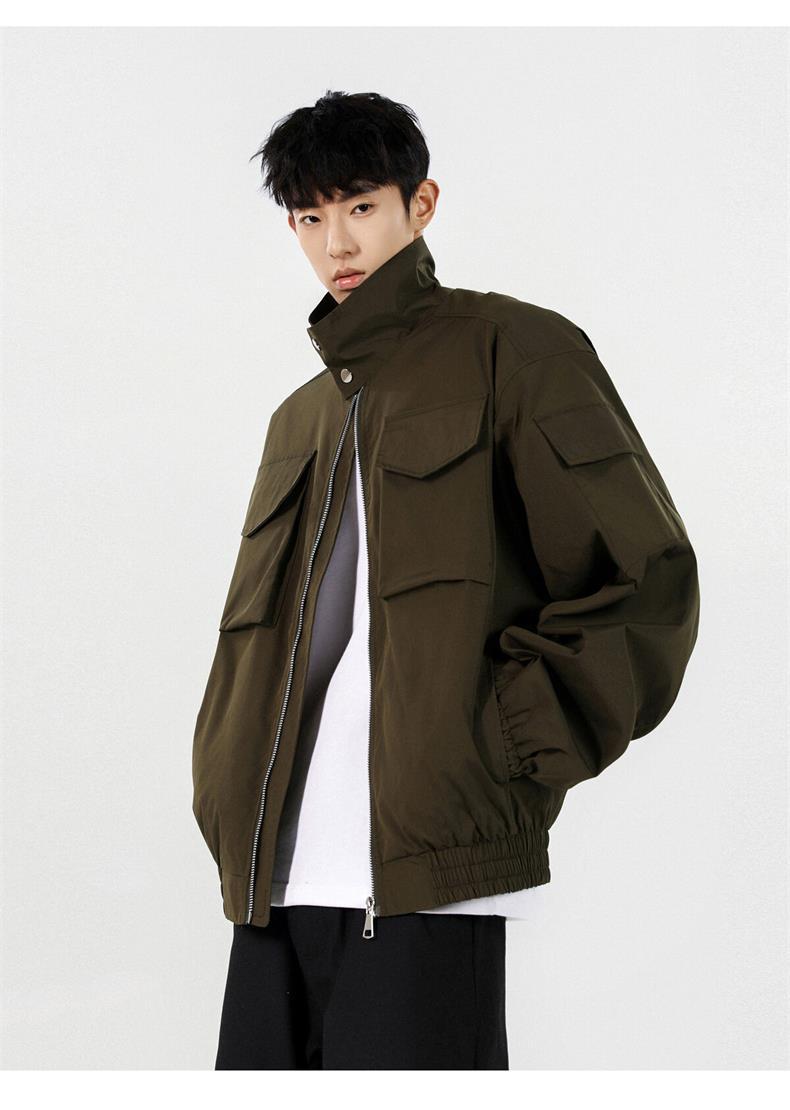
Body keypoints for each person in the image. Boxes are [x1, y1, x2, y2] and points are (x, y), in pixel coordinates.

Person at [191, 90, 701, 1070]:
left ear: (420, 204)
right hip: (274, 878)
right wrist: (221, 783)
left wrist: (510, 741)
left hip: (428, 878)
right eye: (311, 217)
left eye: (361, 206)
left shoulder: (515, 350)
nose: (337, 242)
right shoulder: (299, 418)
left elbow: (644, 577)